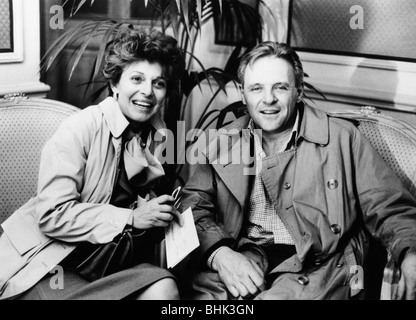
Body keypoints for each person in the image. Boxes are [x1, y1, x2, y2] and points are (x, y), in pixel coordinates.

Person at [178, 41, 416, 300]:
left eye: (280, 87)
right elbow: (190, 209)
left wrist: (410, 253)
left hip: (320, 264)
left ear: (299, 90)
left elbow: (390, 208)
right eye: (256, 88)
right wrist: (221, 255)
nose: (268, 99)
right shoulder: (224, 141)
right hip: (246, 256)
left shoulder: (342, 137)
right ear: (243, 95)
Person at [0, 26, 185, 300]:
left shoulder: (156, 133)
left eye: (158, 83)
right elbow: (52, 215)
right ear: (114, 84)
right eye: (136, 79)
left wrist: (152, 209)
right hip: (50, 263)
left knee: (164, 287)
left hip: (103, 260)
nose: (147, 91)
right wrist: (131, 217)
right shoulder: (81, 127)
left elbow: (125, 194)